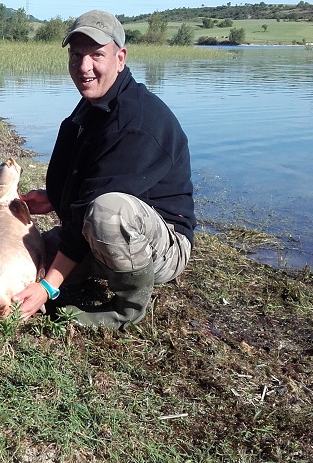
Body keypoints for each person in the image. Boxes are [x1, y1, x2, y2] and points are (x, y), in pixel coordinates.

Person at [11, 10, 196, 330]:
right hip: (103, 231)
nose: (84, 67)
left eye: (97, 54)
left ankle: (126, 310)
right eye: (76, 54)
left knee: (108, 211)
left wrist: (48, 287)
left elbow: (96, 203)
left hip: (161, 245)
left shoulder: (137, 121)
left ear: (120, 58)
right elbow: (91, 178)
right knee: (33, 256)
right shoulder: (95, 101)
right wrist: (56, 199)